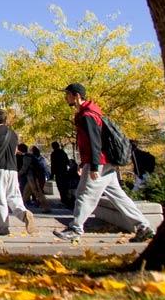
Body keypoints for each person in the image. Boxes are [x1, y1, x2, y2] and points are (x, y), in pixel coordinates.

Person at [54, 83, 155, 243]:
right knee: (119, 197)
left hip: (98, 163)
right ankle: (144, 227)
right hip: (104, 163)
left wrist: (93, 166)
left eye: (67, 94)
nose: (65, 97)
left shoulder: (88, 116)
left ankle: (75, 228)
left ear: (77, 96)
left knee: (84, 195)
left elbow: (95, 142)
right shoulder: (91, 113)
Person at [0, 108, 35, 236]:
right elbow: (14, 151)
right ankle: (24, 214)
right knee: (14, 196)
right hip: (12, 169)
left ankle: (2, 227)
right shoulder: (13, 134)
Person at [24, 145, 52, 212]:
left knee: (37, 193)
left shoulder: (29, 157)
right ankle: (19, 207)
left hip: (33, 177)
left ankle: (46, 207)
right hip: (36, 177)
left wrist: (19, 173)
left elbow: (25, 167)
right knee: (26, 192)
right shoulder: (39, 158)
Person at [50, 142, 71, 206]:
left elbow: (53, 164)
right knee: (65, 187)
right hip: (64, 172)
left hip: (58, 173)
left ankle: (63, 200)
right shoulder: (63, 153)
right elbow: (68, 162)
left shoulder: (53, 154)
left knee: (60, 187)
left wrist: (52, 174)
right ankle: (66, 200)